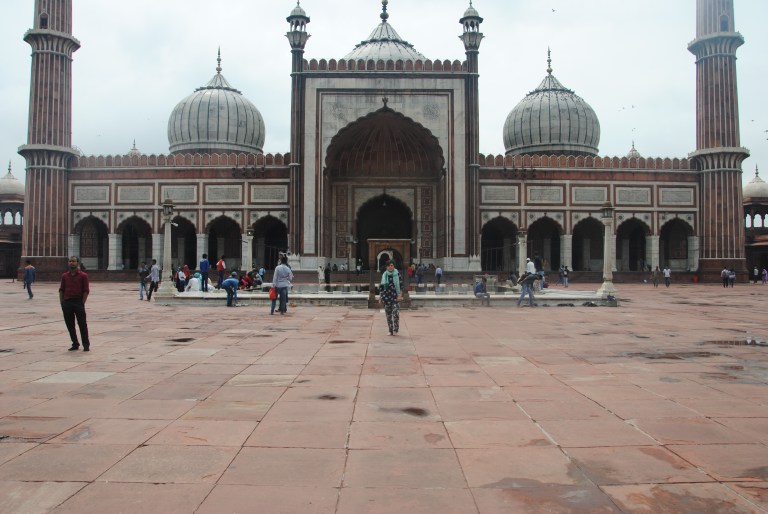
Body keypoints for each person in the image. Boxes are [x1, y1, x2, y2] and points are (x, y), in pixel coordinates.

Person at [59, 256, 91, 351]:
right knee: (70, 325)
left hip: (78, 302)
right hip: (67, 302)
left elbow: (86, 290)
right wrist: (62, 302)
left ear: (78, 263)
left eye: (73, 261)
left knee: (82, 324)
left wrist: (82, 302)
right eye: (70, 261)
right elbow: (61, 289)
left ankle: (86, 344)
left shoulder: (83, 276)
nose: (71, 263)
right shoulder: (65, 276)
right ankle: (75, 343)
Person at [379, 260, 402, 335]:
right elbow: (381, 288)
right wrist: (380, 298)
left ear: (394, 266)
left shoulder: (397, 274)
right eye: (389, 265)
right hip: (386, 297)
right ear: (387, 267)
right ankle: (390, 330)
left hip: (395, 296)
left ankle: (396, 329)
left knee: (396, 313)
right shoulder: (384, 275)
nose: (391, 267)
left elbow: (401, 285)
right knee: (388, 315)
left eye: (392, 265)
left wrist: (399, 295)